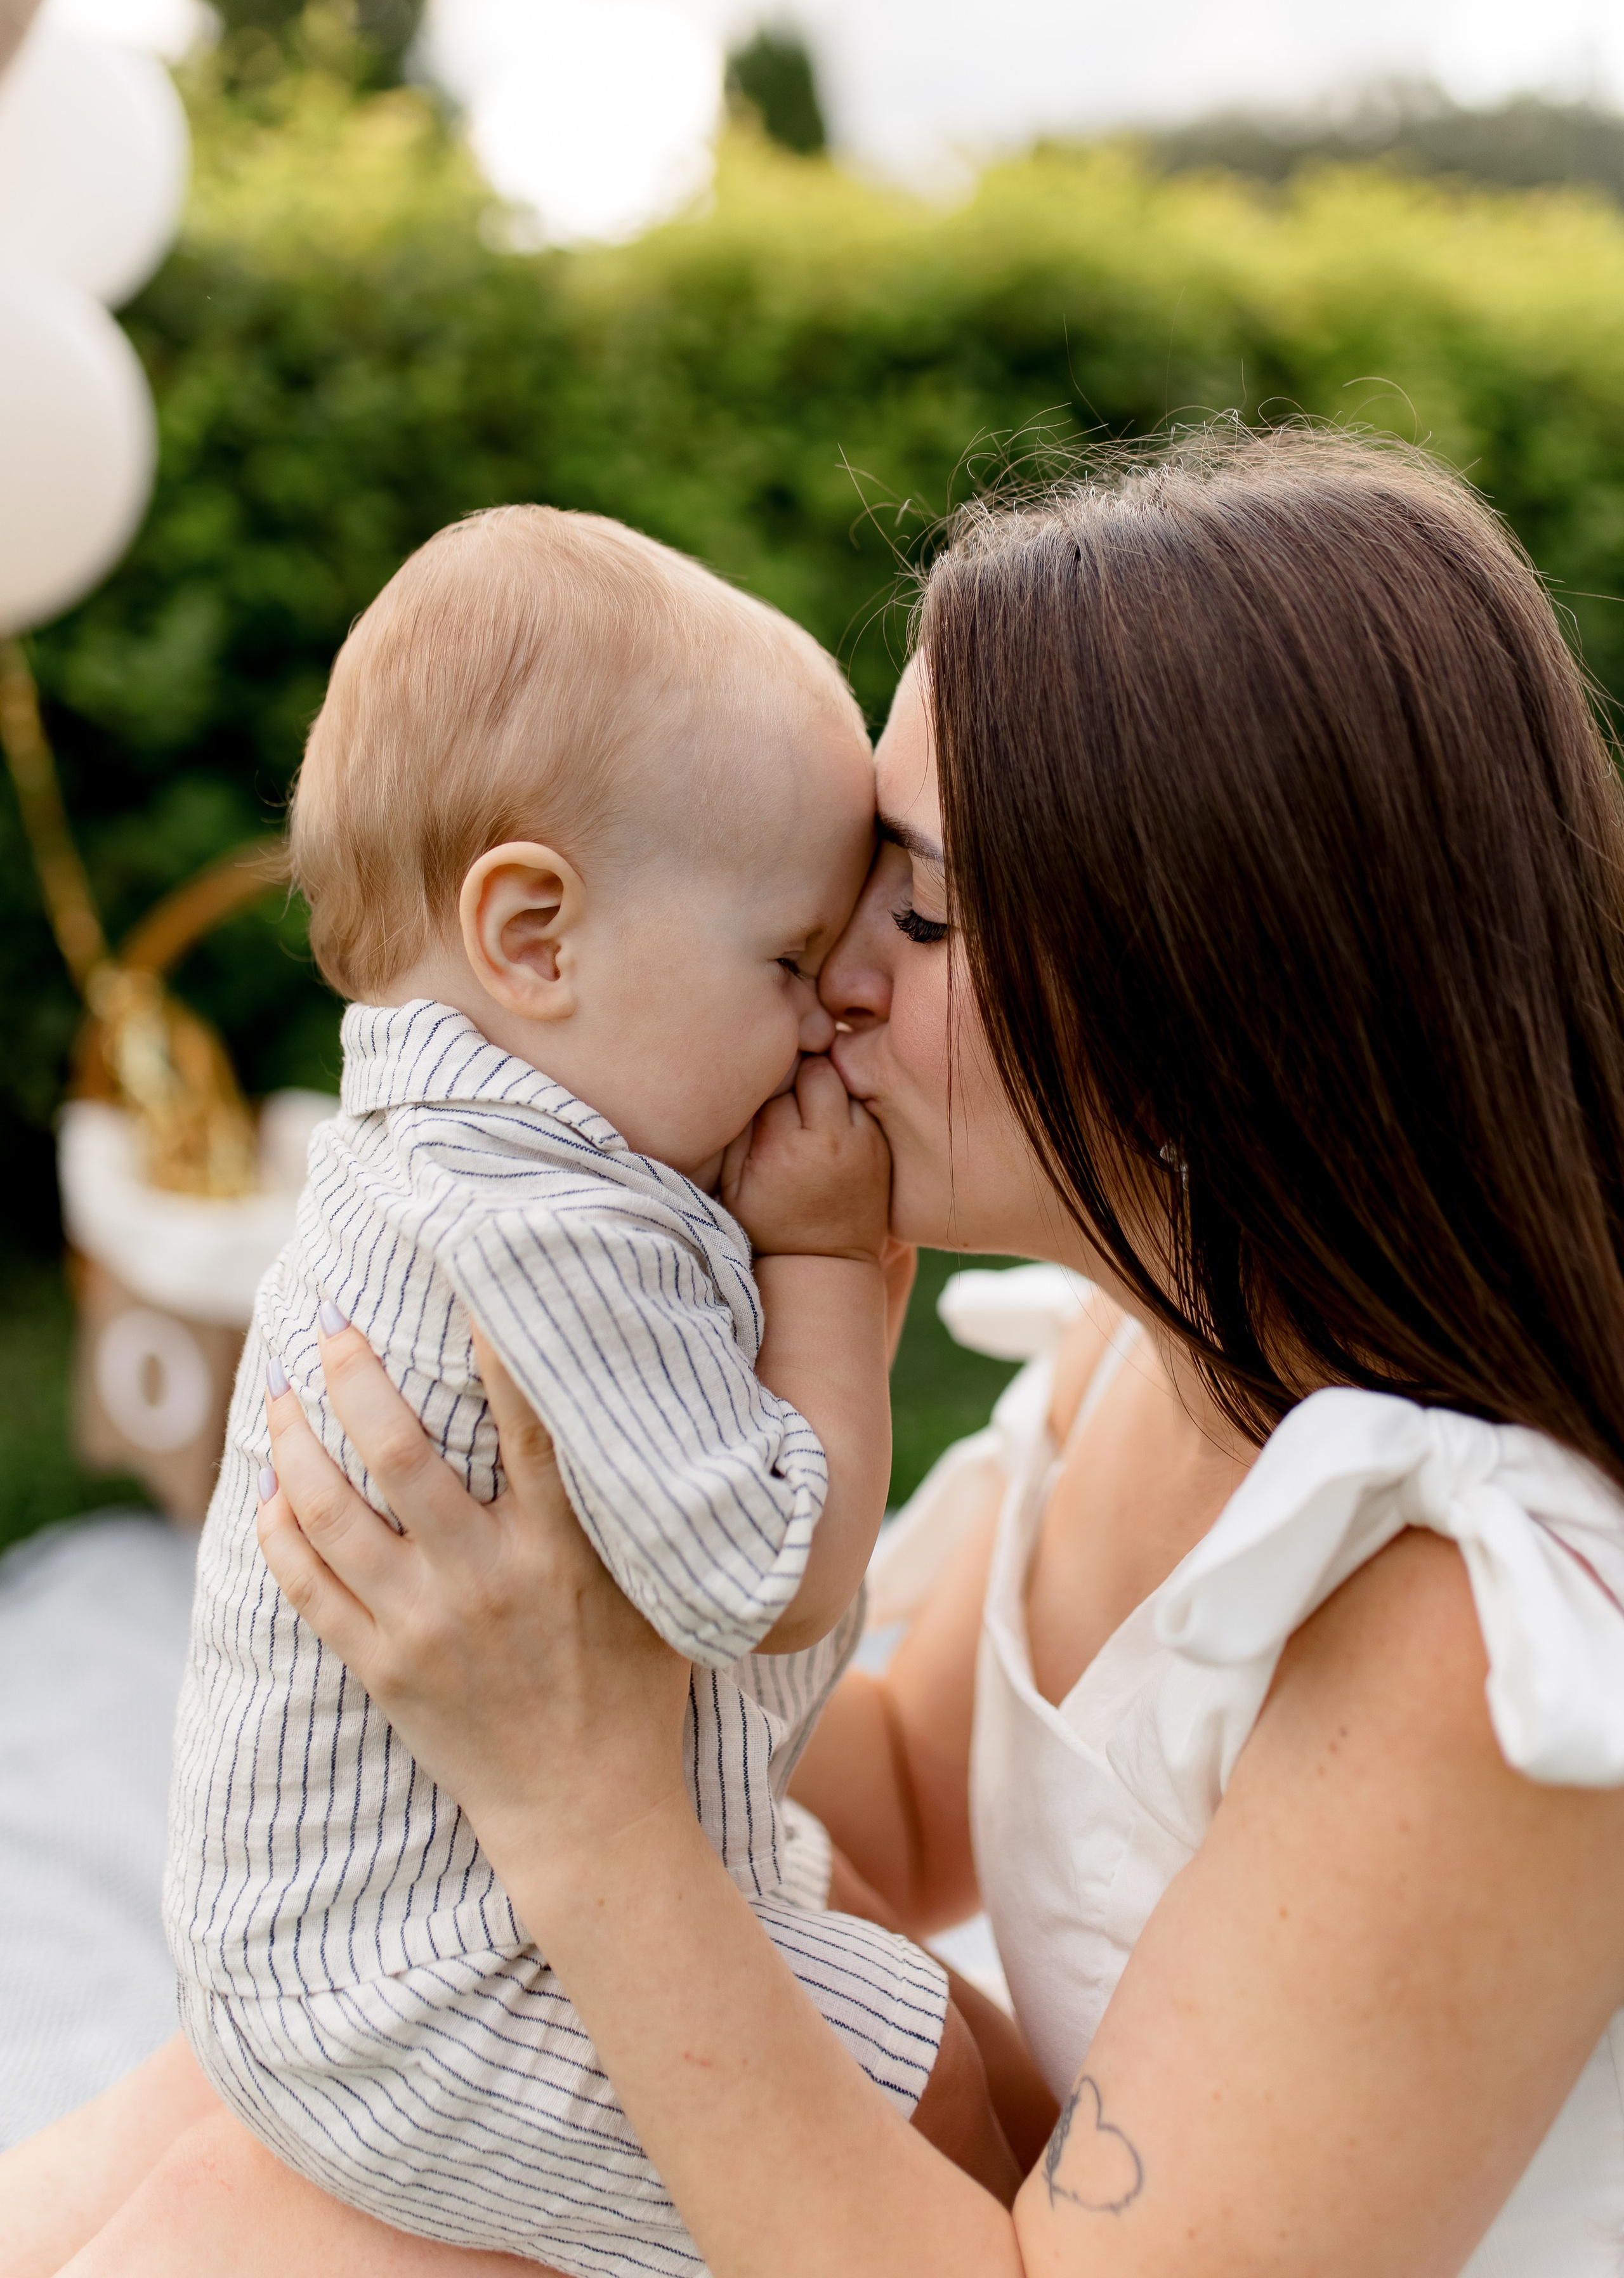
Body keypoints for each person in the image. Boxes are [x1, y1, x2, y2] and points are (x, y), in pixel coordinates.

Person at [13, 424, 1624, 2276]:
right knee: (265, 2110)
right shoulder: (1146, 1364)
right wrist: (451, 1712)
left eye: (916, 907)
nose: (831, 975)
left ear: (1209, 979)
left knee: (272, 2208)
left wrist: (584, 1803)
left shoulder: (1476, 1629)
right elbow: (918, 1796)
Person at [160, 506, 1013, 2272]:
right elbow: (765, 1576)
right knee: (933, 2098)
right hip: (423, 1987)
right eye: (789, 961)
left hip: (460, 1909)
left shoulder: (483, 1140)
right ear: (537, 937)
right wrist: (821, 1272)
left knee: (959, 2053)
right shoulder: (545, 1216)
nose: (826, 1016)